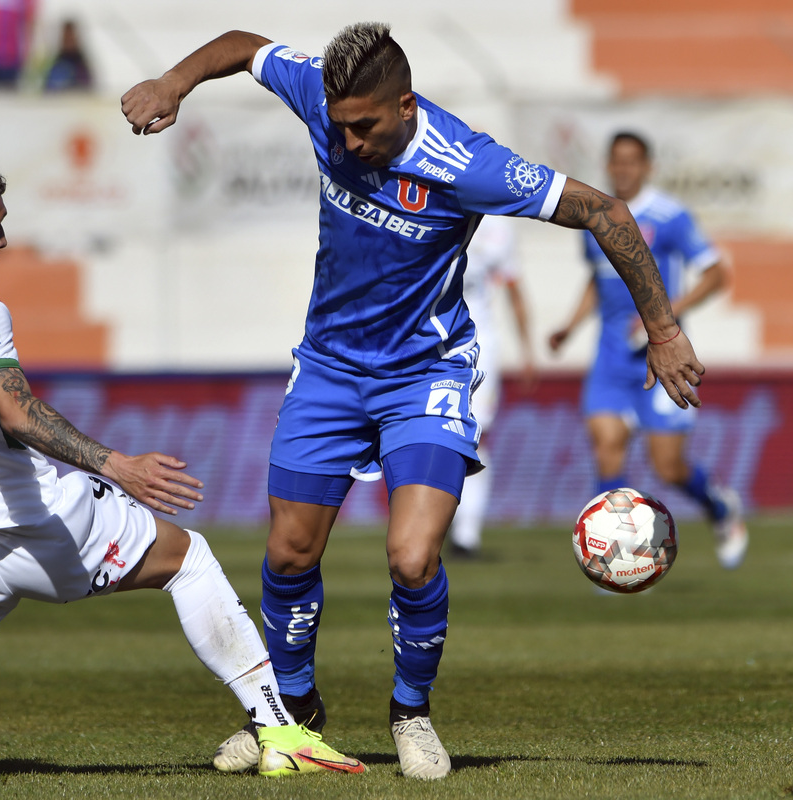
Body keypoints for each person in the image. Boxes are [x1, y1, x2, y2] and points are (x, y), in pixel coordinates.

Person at [121, 23, 704, 780]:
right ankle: (291, 716)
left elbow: (607, 214)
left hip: (423, 375)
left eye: (365, 126)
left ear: (404, 104)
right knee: (289, 552)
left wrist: (663, 329)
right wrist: (174, 83)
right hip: (328, 368)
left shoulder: (469, 165)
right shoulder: (324, 99)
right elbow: (242, 44)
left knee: (412, 553)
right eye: (340, 127)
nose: (349, 143)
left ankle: (411, 713)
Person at [0, 160, 365, 789]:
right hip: (32, 520)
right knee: (188, 560)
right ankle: (280, 731)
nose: (1, 242)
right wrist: (115, 465)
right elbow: (14, 411)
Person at [549, 131, 747, 569]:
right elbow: (599, 280)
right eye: (615, 161)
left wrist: (666, 314)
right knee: (607, 445)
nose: (623, 170)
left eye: (631, 162)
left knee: (668, 467)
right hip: (611, 357)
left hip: (660, 358)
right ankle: (617, 555)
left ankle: (721, 508)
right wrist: (568, 325)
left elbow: (715, 273)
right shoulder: (596, 214)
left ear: (647, 166)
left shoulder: (669, 216)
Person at [450, 215, 536, 558]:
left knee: (476, 435)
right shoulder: (429, 204)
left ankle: (466, 534)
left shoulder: (498, 228)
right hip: (426, 342)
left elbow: (514, 289)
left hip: (479, 343)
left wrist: (527, 350)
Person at [44, 19, 93, 92]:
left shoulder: (81, 65)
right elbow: (48, 87)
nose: (68, 40)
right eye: (66, 36)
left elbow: (87, 88)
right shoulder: (56, 62)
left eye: (70, 36)